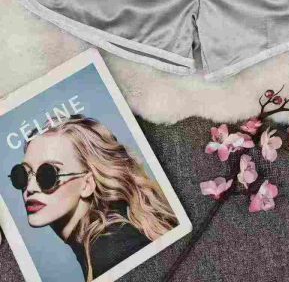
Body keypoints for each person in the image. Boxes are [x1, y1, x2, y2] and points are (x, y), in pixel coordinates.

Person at [9, 115, 177, 281]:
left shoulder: (113, 252)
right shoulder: (103, 243)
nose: (30, 189)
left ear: (87, 184)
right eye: (23, 175)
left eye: (47, 174)